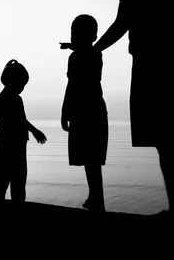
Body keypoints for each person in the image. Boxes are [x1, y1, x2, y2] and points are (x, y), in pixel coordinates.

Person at [68, 0, 174, 222]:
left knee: (169, 140)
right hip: (164, 58)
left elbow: (125, 19)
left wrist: (93, 49)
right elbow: (169, 11)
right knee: (168, 140)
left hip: (161, 61)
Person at [61, 15, 109, 212]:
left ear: (93, 36)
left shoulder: (94, 54)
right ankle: (95, 196)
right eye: (73, 32)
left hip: (91, 111)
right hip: (82, 111)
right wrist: (65, 112)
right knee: (89, 160)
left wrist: (65, 112)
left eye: (77, 32)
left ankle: (97, 198)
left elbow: (77, 81)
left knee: (92, 159)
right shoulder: (78, 56)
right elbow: (70, 85)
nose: (74, 36)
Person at [0, 59, 47, 206]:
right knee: (18, 181)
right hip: (16, 144)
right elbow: (20, 120)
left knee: (0, 182)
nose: (22, 88)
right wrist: (35, 131)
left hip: (3, 142)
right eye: (22, 84)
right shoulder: (15, 100)